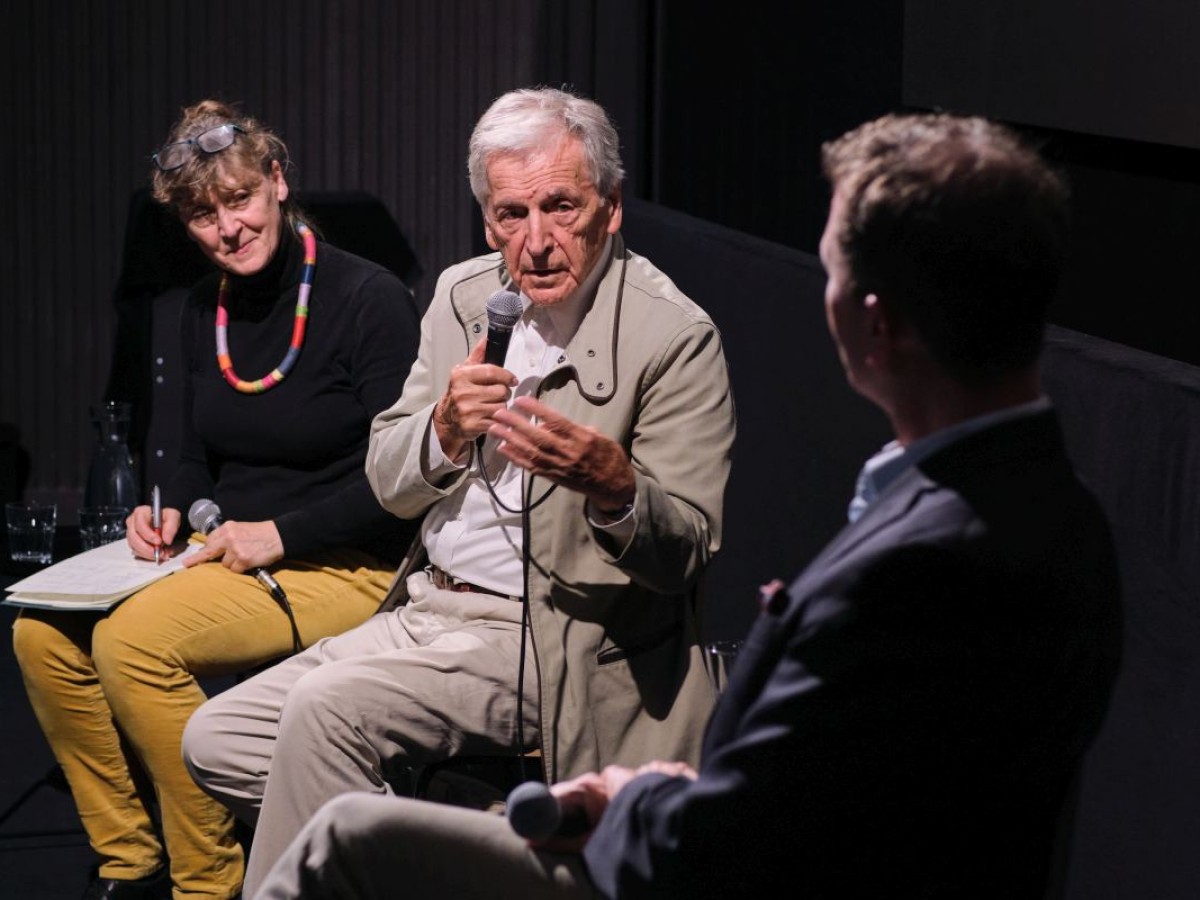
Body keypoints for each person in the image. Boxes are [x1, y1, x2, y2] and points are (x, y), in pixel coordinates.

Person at [250, 111, 1123, 900]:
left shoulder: (907, 576)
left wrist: (631, 798)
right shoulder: (1064, 519)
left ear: (873, 323)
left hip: (661, 835)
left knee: (344, 837)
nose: (536, 240)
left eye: (827, 270)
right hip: (634, 783)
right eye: (512, 215)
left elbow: (751, 838)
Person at [181, 86, 735, 898]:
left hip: (547, 634)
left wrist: (616, 490)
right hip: (427, 607)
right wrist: (441, 431)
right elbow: (385, 472)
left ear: (610, 208)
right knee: (216, 739)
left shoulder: (674, 337)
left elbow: (687, 546)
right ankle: (438, 863)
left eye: (560, 207)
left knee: (326, 713)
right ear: (486, 221)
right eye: (512, 215)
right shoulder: (464, 295)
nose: (537, 242)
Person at [12, 99, 420, 900]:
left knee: (133, 646)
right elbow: (188, 456)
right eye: (204, 215)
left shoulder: (366, 298)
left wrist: (280, 533)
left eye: (238, 200)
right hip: (225, 551)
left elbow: (400, 486)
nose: (228, 228)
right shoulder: (198, 311)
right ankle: (132, 861)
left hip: (348, 561)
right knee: (41, 638)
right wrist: (171, 509)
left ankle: (210, 881)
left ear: (276, 180)